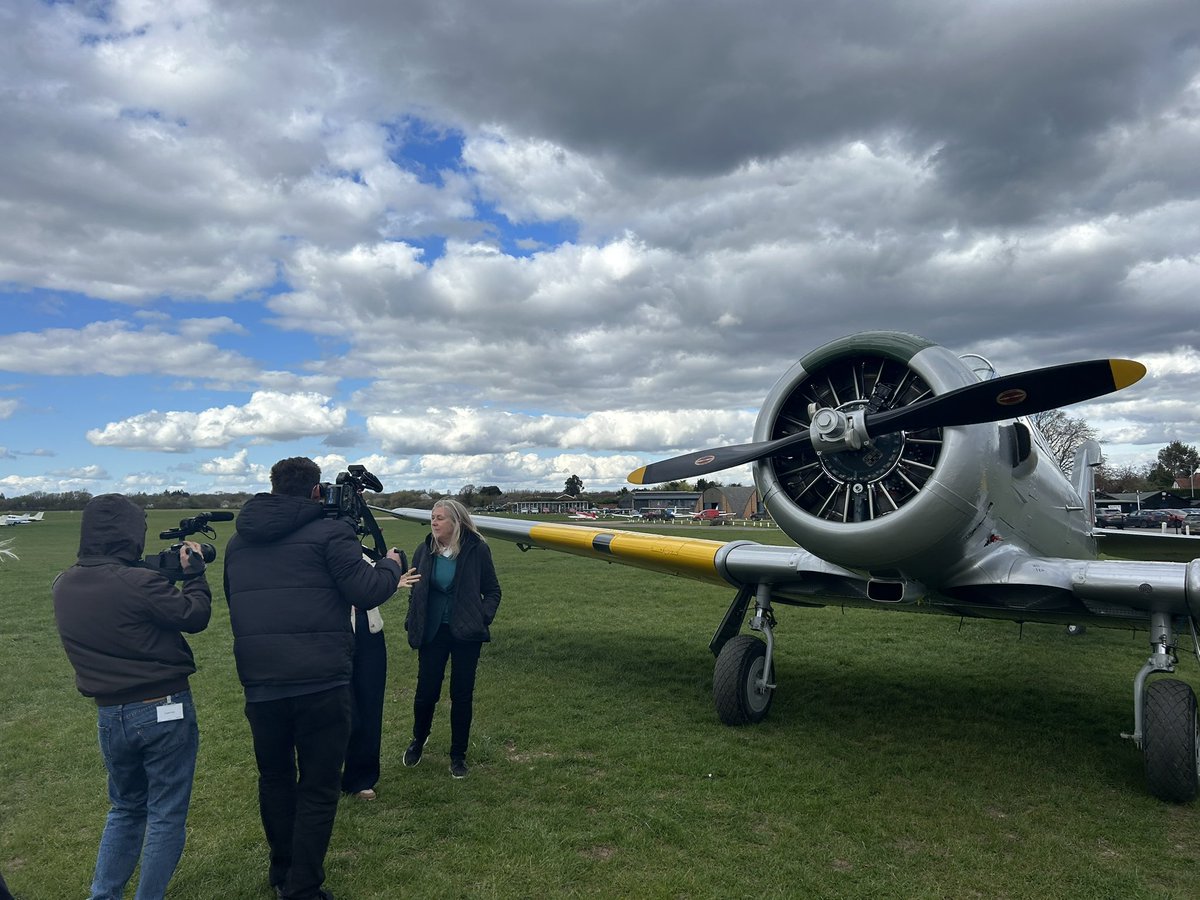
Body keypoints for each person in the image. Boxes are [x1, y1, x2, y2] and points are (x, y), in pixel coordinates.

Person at [223, 457, 408, 900]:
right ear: (315, 490)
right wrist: (392, 564)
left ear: (272, 486)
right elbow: (366, 592)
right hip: (320, 679)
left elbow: (236, 599)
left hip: (261, 679)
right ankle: (302, 886)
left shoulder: (237, 542)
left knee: (275, 777)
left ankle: (281, 867)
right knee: (319, 786)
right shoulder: (331, 533)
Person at [52, 493, 211, 900]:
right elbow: (194, 616)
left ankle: (103, 894)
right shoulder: (139, 583)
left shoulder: (64, 583)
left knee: (124, 808)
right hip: (163, 707)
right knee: (165, 814)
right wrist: (195, 575)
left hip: (110, 715)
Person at [402, 498, 502, 779]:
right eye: (432, 517)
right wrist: (413, 618)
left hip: (465, 633)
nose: (434, 522)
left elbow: (493, 590)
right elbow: (416, 589)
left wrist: (482, 617)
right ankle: (418, 741)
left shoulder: (476, 550)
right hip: (433, 632)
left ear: (456, 522)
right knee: (426, 693)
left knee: (461, 695)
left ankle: (458, 755)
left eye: (440, 518)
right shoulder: (425, 550)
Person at [340, 549, 405, 801]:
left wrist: (390, 566)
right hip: (334, 635)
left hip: (369, 634)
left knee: (369, 706)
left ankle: (362, 778)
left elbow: (374, 588)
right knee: (339, 709)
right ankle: (327, 774)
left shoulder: (362, 554)